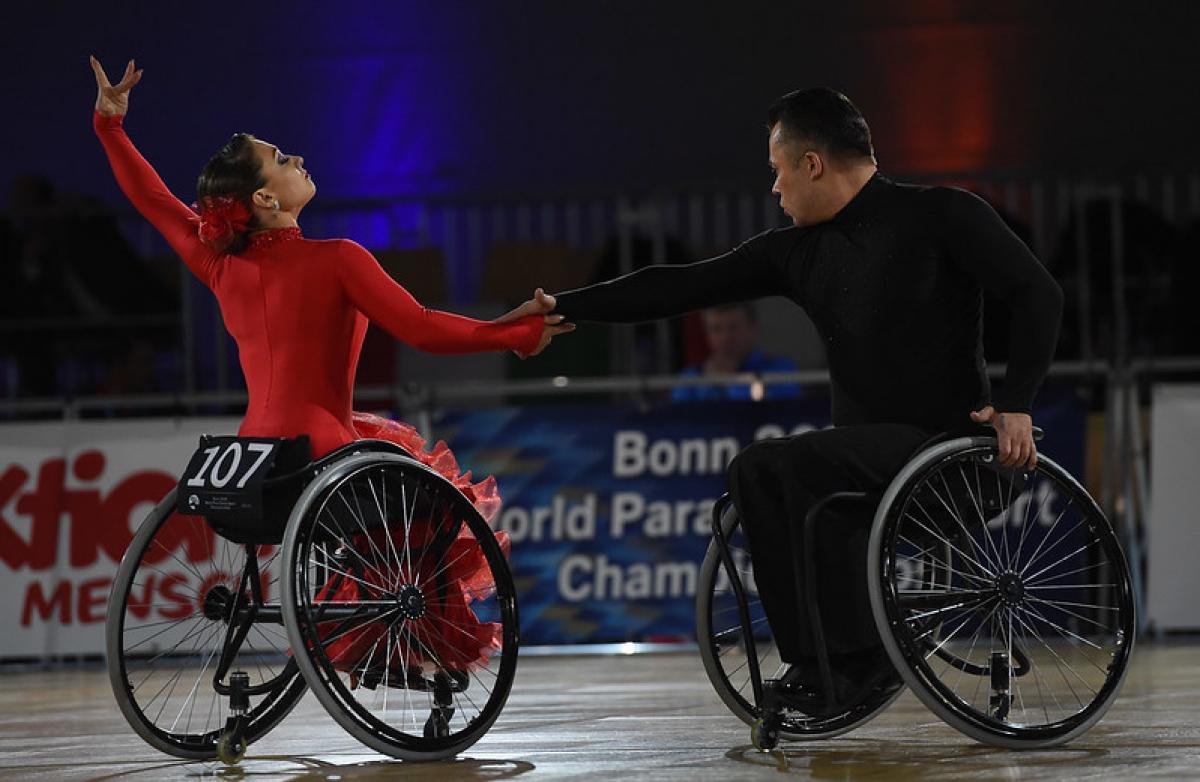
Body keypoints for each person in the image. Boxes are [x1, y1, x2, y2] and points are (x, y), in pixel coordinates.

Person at [505, 87, 1062, 712]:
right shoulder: (797, 252)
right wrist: (564, 307)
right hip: (868, 465)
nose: (775, 189)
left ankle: (855, 660)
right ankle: (831, 660)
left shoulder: (943, 214)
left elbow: (1038, 294)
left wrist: (1017, 403)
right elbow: (679, 286)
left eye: (777, 171)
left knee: (770, 465)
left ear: (812, 164)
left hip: (951, 456)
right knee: (771, 477)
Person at [90, 57, 573, 675]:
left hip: (254, 466)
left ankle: (366, 636)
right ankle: (398, 644)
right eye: (281, 158)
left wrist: (110, 127)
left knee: (395, 475)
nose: (297, 158)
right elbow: (423, 329)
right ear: (265, 198)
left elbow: (153, 201)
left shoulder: (220, 266)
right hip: (324, 456)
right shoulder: (340, 258)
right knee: (441, 502)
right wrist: (514, 334)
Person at [672, 303, 801, 402]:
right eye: (716, 329)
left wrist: (729, 382)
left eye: (733, 328)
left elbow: (785, 406)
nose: (725, 337)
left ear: (753, 328)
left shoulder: (780, 369)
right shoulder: (691, 378)